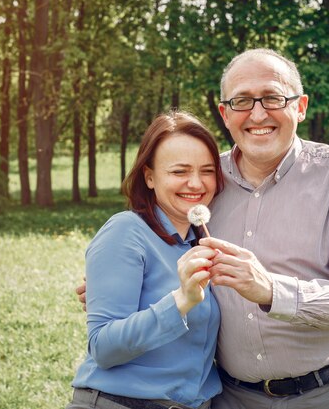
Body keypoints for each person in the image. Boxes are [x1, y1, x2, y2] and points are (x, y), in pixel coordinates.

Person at [77, 49, 329, 409]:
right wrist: (113, 285)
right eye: (242, 101)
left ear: (300, 106)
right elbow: (157, 247)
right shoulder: (205, 182)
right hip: (231, 397)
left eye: (273, 97)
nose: (258, 114)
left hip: (327, 392)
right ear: (225, 114)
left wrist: (272, 290)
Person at [66, 111, 224, 409]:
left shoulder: (203, 242)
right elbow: (103, 347)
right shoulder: (126, 230)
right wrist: (181, 300)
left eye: (207, 171)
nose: (196, 183)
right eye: (179, 172)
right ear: (149, 177)